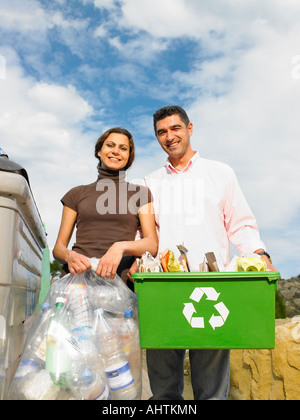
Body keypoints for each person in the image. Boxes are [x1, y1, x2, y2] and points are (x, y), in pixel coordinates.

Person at [143, 105, 277, 400]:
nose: (170, 136)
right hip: (163, 291)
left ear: (190, 129)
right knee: (163, 392)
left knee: (213, 392)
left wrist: (258, 252)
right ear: (157, 138)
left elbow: (240, 224)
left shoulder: (220, 173)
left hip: (213, 287)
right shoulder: (149, 183)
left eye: (175, 128)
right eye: (162, 132)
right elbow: (143, 234)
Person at [53, 127, 158, 287]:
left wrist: (120, 247)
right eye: (110, 145)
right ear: (99, 151)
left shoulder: (141, 194)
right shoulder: (76, 193)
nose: (116, 151)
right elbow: (58, 248)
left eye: (123, 148)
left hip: (119, 284)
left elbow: (151, 244)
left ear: (129, 157)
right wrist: (69, 256)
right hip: (77, 282)